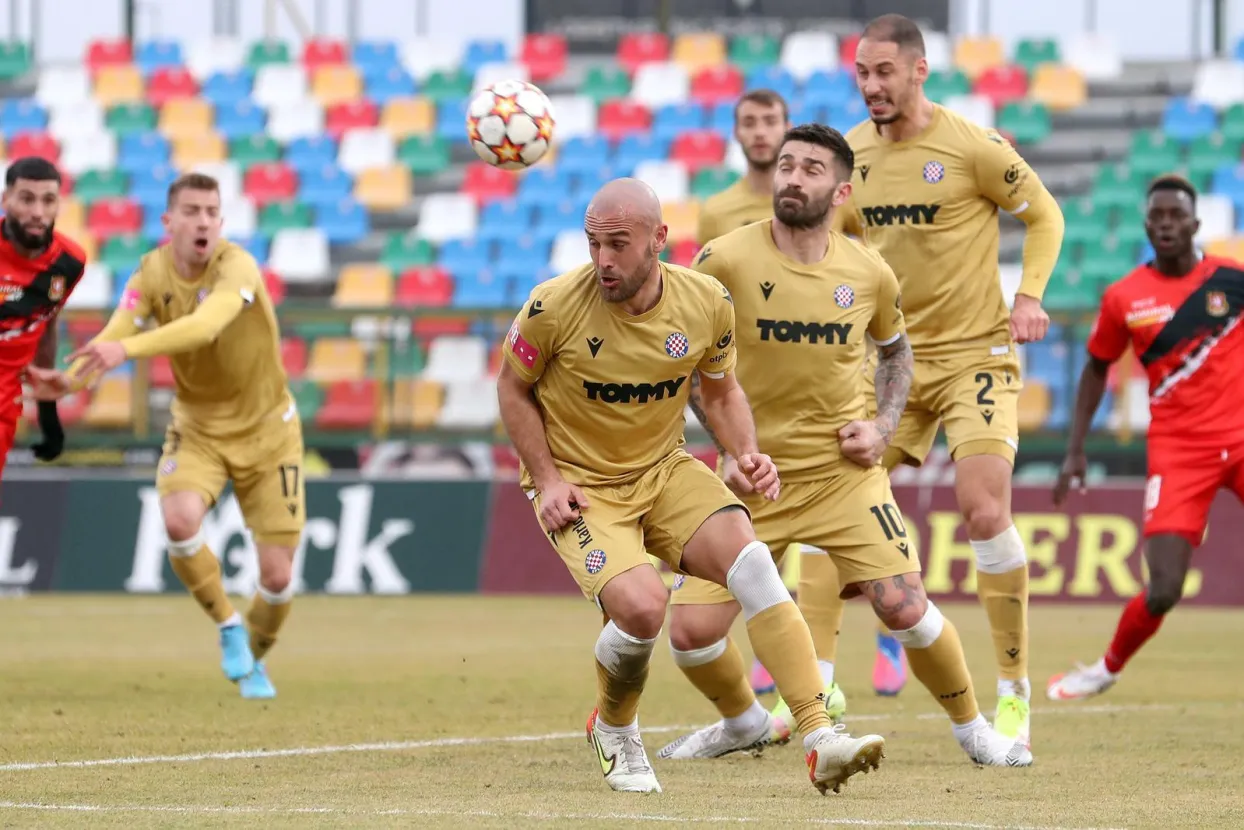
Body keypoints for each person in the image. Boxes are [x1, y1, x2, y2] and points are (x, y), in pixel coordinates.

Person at [496, 176, 886, 795]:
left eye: (618, 244)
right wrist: (546, 479)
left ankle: (820, 737)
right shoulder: (552, 306)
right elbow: (512, 388)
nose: (603, 260)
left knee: (754, 565)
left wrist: (746, 452)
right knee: (645, 607)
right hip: (584, 486)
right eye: (594, 243)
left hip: (665, 469)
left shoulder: (705, 302)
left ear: (658, 240)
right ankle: (615, 726)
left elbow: (721, 388)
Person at [659, 124, 1031, 768]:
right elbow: (693, 368)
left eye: (810, 169)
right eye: (786, 166)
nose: (793, 178)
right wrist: (733, 447)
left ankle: (975, 730)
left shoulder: (867, 270)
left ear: (841, 190)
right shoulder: (723, 260)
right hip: (752, 480)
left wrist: (885, 426)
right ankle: (742, 720)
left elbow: (896, 351)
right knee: (690, 636)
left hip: (842, 476)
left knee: (904, 606)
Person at [831, 13, 1067, 748]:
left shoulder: (973, 147)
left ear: (919, 70)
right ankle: (811, 690)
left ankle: (1014, 688)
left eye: (884, 72)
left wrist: (1028, 296)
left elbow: (1046, 216)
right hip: (894, 361)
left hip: (976, 356)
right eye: (862, 73)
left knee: (982, 508)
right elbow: (838, 254)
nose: (871, 86)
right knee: (838, 508)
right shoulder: (851, 158)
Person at [26, 173, 304, 700]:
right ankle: (227, 626)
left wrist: (126, 352)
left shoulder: (236, 266)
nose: (204, 221)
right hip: (197, 429)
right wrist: (67, 383)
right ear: (168, 221)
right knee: (178, 521)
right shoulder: (150, 274)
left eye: (212, 212)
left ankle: (254, 658)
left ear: (221, 222)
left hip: (269, 433)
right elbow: (112, 337)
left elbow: (206, 326)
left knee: (276, 577)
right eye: (193, 211)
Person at [695, 89, 908, 703]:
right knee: (722, 588)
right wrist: (728, 438)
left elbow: (860, 270)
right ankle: (796, 661)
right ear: (736, 133)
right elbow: (703, 320)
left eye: (771, 123)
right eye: (749, 123)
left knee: (845, 542)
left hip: (833, 399)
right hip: (752, 413)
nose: (761, 135)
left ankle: (828, 668)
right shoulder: (720, 217)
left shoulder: (837, 204)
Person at [1047, 176, 1244, 699]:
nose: (1165, 224)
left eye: (1175, 215)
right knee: (1163, 589)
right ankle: (1105, 669)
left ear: (1196, 224)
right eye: (1156, 216)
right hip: (1180, 453)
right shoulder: (1125, 298)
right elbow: (1095, 369)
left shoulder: (1233, 279)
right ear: (1145, 226)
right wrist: (1074, 449)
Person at [0, 158, 87, 472]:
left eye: (48, 200)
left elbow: (46, 322)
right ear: (5, 200)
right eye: (26, 199)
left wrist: (48, 413)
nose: (38, 212)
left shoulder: (68, 263)